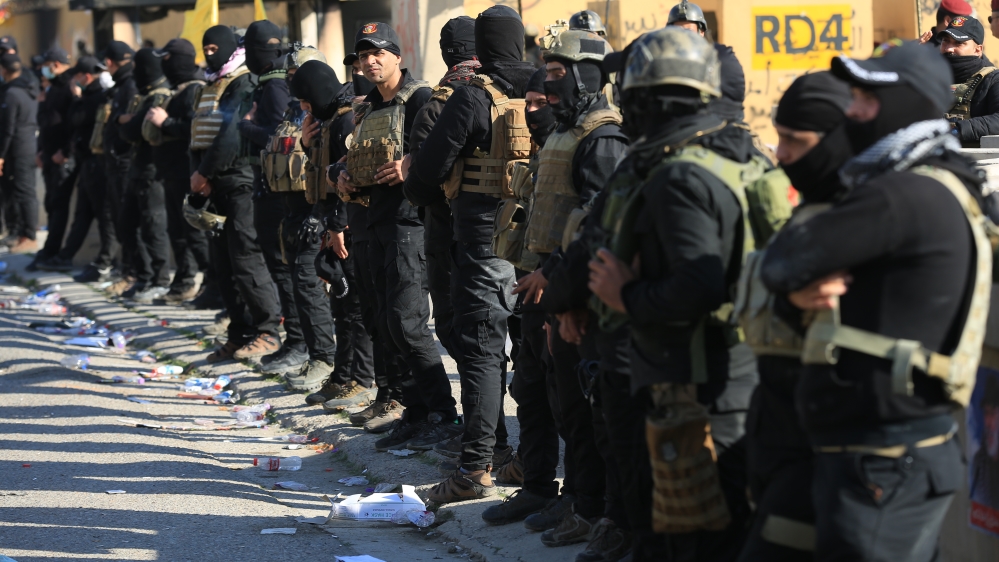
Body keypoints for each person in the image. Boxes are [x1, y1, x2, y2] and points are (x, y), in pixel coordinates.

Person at [761, 40, 979, 561]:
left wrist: (791, 284)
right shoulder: (920, 178)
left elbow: (783, 261)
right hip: (886, 452)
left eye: (866, 99)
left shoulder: (900, 194)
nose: (852, 111)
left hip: (886, 459)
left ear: (906, 104)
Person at [588, 27, 758, 561]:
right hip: (733, 376)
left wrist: (627, 296)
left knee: (681, 539)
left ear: (651, 99)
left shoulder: (679, 174)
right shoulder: (738, 152)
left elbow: (699, 284)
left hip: (694, 389)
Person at [404, 4, 537, 503]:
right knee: (534, 353)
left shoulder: (473, 95)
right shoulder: (544, 88)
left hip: (483, 240)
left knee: (482, 352)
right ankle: (531, 461)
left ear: (481, 48)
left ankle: (476, 467)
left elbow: (425, 175)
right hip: (537, 244)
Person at [511, 28, 627, 546]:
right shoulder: (569, 128)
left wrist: (559, 282)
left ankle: (594, 508)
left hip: (572, 290)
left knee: (585, 411)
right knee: (559, 402)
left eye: (559, 73)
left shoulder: (602, 139)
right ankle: (577, 498)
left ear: (585, 75)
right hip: (548, 284)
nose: (550, 84)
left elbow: (596, 225)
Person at [735, 72, 853, 562]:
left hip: (823, 444)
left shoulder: (867, 219)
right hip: (776, 427)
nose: (780, 154)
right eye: (778, 138)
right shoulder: (807, 208)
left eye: (794, 141)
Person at [336, 22, 460, 455]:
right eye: (363, 55)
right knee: (385, 324)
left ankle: (443, 414)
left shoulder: (422, 99)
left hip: (409, 226)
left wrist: (412, 164)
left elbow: (447, 150)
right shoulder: (365, 108)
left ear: (397, 57)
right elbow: (348, 157)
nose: (370, 61)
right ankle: (415, 411)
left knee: (408, 323)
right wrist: (340, 175)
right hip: (371, 224)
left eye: (379, 53)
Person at [285, 52, 376, 410]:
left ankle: (360, 379)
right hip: (333, 225)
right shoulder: (327, 122)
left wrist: (337, 226)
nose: (304, 109)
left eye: (306, 101)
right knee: (342, 306)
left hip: (347, 228)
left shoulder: (345, 122)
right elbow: (320, 174)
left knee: (355, 307)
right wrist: (307, 145)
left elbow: (347, 177)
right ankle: (342, 376)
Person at [192, 25, 282, 362]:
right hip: (216, 182)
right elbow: (199, 132)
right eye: (205, 48)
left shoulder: (242, 81)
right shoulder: (212, 83)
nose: (209, 54)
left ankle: (268, 331)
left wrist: (204, 172)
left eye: (215, 48)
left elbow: (230, 135)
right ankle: (240, 332)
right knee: (225, 263)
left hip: (239, 180)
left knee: (246, 259)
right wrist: (200, 175)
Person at [141, 38, 209, 304]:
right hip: (170, 172)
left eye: (168, 59)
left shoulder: (194, 90)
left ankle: (212, 284)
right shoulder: (177, 89)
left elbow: (194, 128)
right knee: (178, 233)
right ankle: (183, 283)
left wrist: (165, 122)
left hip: (187, 172)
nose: (164, 65)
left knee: (195, 233)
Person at [38, 56, 117, 273]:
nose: (73, 81)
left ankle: (107, 259)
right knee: (83, 213)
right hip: (86, 163)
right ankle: (66, 256)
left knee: (104, 214)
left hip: (97, 163)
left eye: (77, 77)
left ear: (87, 77)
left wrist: (76, 98)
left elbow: (76, 120)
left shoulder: (95, 97)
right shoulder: (88, 96)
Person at [118, 47, 173, 303]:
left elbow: (131, 130)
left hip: (152, 172)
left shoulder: (160, 95)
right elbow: (126, 129)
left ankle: (160, 280)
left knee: (154, 228)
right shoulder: (144, 95)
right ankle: (144, 276)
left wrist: (127, 122)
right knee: (127, 226)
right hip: (137, 170)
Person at [100, 41, 140, 294]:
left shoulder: (130, 85)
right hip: (115, 163)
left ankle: (132, 273)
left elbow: (131, 121)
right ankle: (127, 269)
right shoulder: (122, 85)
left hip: (125, 163)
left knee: (127, 221)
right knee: (119, 219)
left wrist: (119, 120)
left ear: (109, 62)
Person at [31, 47, 76, 270]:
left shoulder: (69, 87)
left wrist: (66, 152)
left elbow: (74, 124)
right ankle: (49, 249)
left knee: (58, 204)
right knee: (51, 203)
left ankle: (53, 250)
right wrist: (41, 150)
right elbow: (46, 122)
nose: (42, 70)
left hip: (62, 157)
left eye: (46, 66)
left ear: (56, 65)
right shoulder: (52, 87)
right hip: (49, 154)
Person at [667, 0, 745, 121]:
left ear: (701, 32)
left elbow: (732, 103)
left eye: (688, 31)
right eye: (677, 31)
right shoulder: (662, 61)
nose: (683, 36)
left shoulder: (720, 59)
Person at [937, 16, 999, 147]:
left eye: (958, 43)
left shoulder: (992, 80)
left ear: (978, 50)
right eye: (945, 41)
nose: (949, 49)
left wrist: (957, 130)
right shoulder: (928, 78)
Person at [0, 53, 39, 253]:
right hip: (27, 146)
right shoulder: (28, 88)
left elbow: (8, 128)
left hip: (18, 148)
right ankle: (20, 232)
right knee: (19, 191)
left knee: (24, 193)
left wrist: (1, 155)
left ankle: (29, 235)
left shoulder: (12, 94)